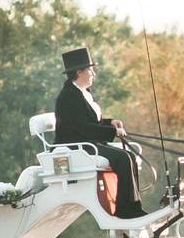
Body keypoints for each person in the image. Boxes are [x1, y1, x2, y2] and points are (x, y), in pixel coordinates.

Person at [54, 47, 146, 219]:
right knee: (123, 158)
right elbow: (82, 127)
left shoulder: (82, 93)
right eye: (90, 70)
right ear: (79, 72)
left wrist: (110, 122)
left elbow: (90, 121)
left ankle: (132, 207)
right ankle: (126, 210)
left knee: (129, 156)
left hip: (88, 142)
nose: (93, 74)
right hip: (76, 146)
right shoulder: (68, 97)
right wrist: (113, 132)